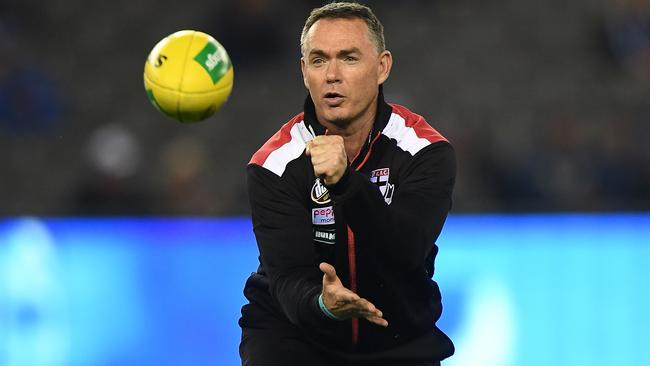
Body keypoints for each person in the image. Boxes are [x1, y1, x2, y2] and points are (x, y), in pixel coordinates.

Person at [239, 2, 456, 365]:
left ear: (382, 67)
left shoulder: (425, 151)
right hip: (294, 336)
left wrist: (345, 182)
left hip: (397, 336)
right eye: (319, 60)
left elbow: (406, 251)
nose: (332, 75)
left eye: (349, 58)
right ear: (304, 71)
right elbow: (287, 277)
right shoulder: (273, 164)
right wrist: (323, 305)